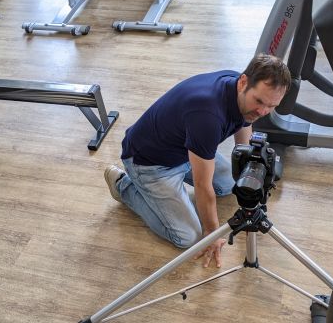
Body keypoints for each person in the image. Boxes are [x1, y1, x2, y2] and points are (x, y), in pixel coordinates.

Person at [105, 53, 291, 268]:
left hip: (186, 150)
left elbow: (244, 124)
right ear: (243, 83)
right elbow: (203, 186)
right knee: (188, 237)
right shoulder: (207, 115)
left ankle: (171, 198)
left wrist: (250, 163)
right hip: (150, 163)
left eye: (271, 106)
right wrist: (212, 233)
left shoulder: (239, 91)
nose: (262, 111)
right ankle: (124, 185)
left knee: (233, 183)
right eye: (259, 101)